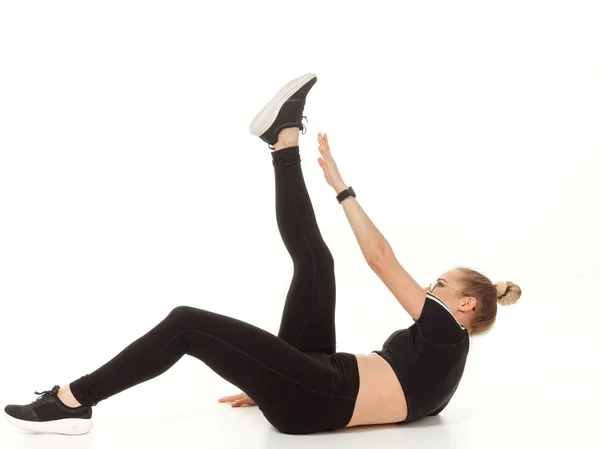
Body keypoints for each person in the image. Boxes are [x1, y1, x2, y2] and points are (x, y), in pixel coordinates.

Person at [3, 73, 522, 436]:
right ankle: (283, 141)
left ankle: (72, 401)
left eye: (441, 284)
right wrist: (271, 377)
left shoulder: (446, 333)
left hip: (316, 396)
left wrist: (343, 188)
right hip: (316, 380)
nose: (433, 288)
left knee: (187, 323)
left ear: (467, 305)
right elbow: (414, 411)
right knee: (318, 266)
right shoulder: (447, 366)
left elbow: (382, 259)